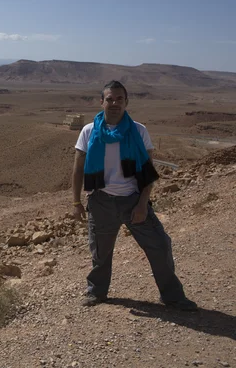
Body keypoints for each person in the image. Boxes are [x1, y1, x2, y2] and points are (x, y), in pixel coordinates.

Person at [71, 80, 197, 311]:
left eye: (119, 99)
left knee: (160, 245)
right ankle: (96, 292)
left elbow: (148, 171)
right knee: (100, 252)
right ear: (101, 102)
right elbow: (78, 168)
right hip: (100, 201)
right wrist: (77, 201)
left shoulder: (139, 131)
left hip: (132, 199)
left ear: (126, 102)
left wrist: (142, 203)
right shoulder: (88, 131)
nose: (114, 103)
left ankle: (173, 297)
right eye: (109, 99)